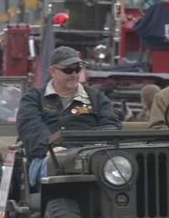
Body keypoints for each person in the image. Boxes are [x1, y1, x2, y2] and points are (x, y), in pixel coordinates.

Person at [17, 46, 120, 187]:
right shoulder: (34, 98)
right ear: (52, 71)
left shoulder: (96, 97)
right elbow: (30, 126)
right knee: (58, 171)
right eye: (68, 70)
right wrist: (50, 148)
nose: (74, 74)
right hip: (47, 158)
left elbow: (111, 125)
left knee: (119, 170)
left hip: (90, 157)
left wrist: (96, 145)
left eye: (77, 69)